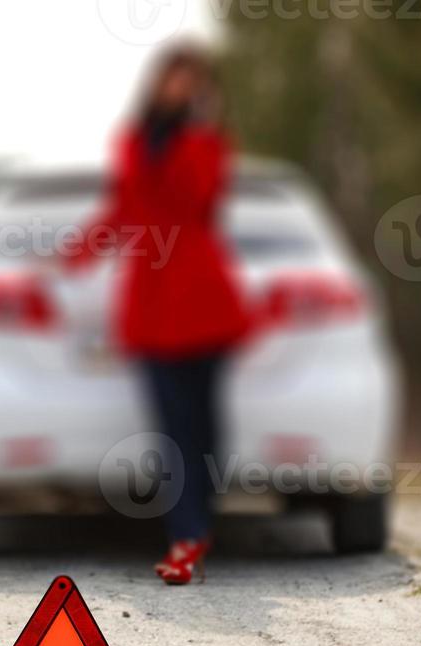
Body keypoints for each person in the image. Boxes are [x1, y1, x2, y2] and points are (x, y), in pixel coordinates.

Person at [67, 43, 251, 584]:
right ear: (156, 82)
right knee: (173, 431)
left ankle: (199, 523)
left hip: (203, 296)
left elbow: (199, 199)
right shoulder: (130, 141)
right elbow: (123, 208)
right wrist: (79, 252)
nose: (180, 89)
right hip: (150, 302)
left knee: (208, 427)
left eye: (192, 81)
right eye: (174, 78)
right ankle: (187, 537)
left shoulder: (209, 144)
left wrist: (198, 130)